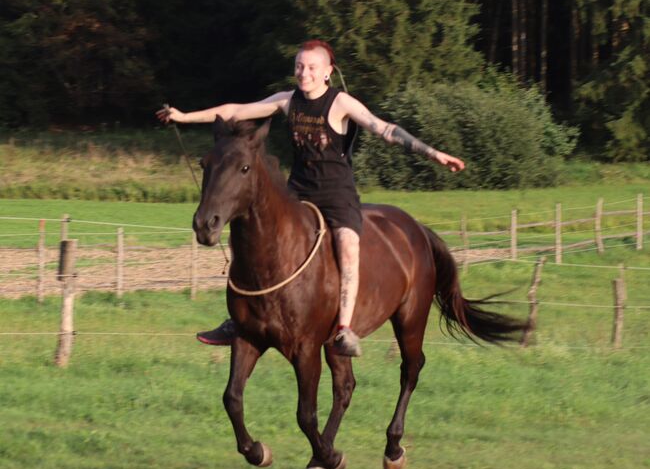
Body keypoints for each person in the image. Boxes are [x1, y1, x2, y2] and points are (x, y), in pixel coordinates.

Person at [157, 39, 465, 357]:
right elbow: (233, 111)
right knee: (249, 230)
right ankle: (240, 319)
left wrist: (435, 154)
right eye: (299, 67)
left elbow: (385, 129)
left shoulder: (341, 103)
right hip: (297, 192)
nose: (304, 73)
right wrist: (183, 117)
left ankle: (344, 330)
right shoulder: (288, 101)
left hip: (336, 195)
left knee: (348, 248)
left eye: (311, 67)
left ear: (327, 72)